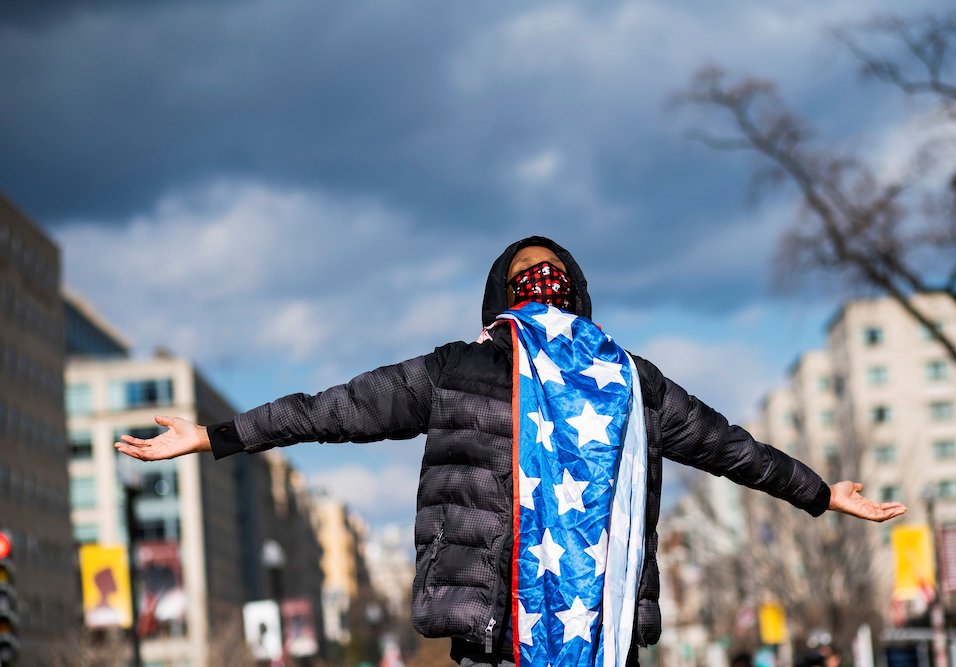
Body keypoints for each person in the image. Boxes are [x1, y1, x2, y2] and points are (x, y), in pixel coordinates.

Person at [115, 236, 907, 667]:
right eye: (535, 277)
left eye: (545, 275)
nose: (542, 286)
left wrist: (817, 490)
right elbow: (337, 409)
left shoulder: (498, 373)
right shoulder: (623, 382)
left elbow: (732, 447)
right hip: (563, 636)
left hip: (509, 631)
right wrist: (217, 435)